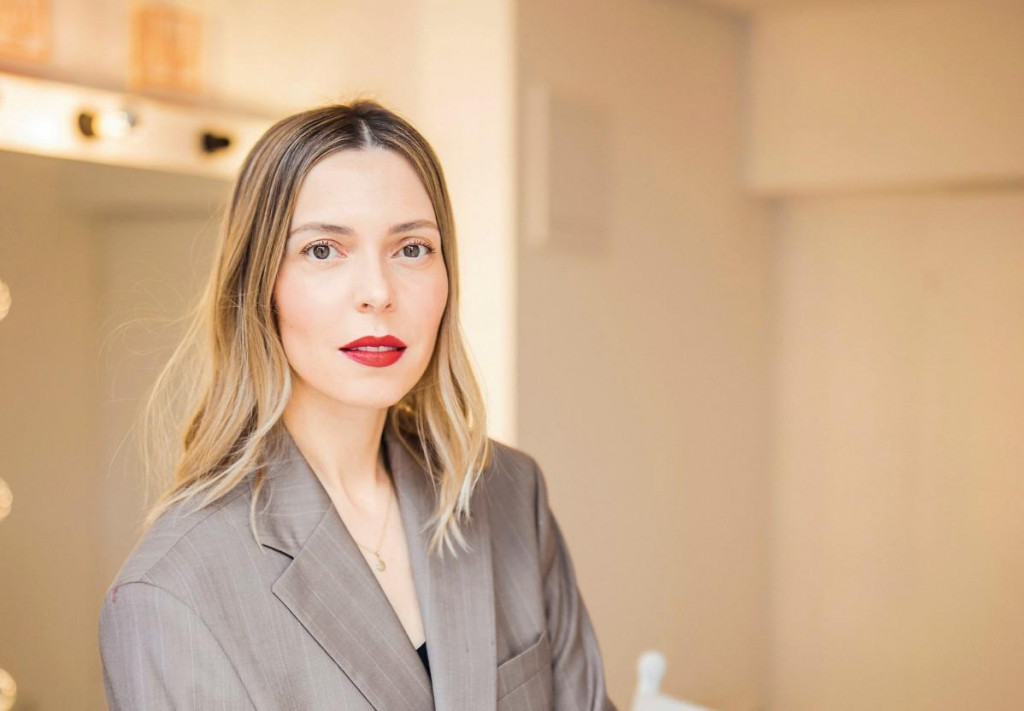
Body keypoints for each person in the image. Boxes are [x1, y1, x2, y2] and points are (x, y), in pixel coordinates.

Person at [97, 99, 616, 710]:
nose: (377, 292)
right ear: (259, 285)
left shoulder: (508, 494)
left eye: (412, 248)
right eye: (323, 250)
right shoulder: (171, 590)